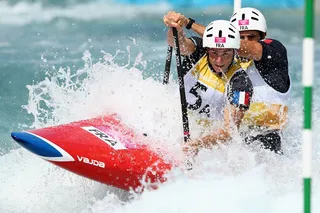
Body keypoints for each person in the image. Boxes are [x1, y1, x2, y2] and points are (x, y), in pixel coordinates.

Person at [163, 8, 291, 154]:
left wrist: (189, 23)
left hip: (264, 136)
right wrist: (176, 28)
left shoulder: (273, 54)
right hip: (216, 131)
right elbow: (180, 44)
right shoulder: (219, 56)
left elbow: (241, 46)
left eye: (251, 37)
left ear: (263, 37)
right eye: (240, 37)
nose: (244, 41)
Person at [163, 17, 254, 154]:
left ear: (235, 52)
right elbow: (175, 41)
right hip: (170, 118)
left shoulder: (241, 83)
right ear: (207, 49)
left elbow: (229, 132)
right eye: (214, 52)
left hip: (204, 138)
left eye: (226, 53)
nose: (219, 60)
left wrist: (198, 144)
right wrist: (175, 28)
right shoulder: (198, 52)